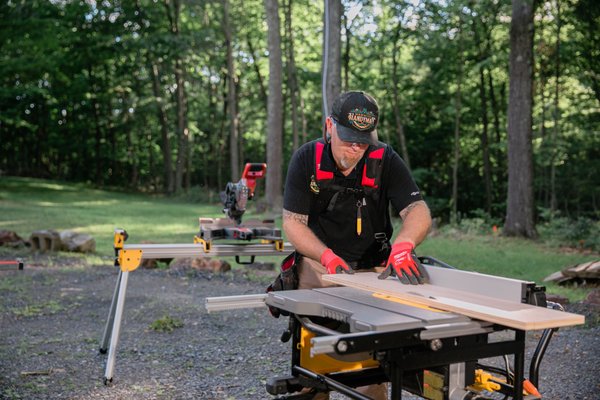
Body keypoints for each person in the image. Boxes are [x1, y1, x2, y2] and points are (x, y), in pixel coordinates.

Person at [281, 91, 432, 400]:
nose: (355, 147)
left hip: (372, 270)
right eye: (348, 138)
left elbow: (418, 211)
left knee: (371, 362)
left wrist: (403, 245)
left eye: (362, 141)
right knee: (313, 360)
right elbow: (292, 222)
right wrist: (325, 254)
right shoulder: (307, 158)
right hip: (319, 264)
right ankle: (314, 389)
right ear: (329, 126)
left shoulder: (384, 158)